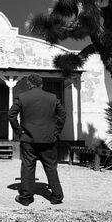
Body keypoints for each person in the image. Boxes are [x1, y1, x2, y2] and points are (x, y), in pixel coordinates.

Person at [8, 73, 66, 206]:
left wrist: (19, 131)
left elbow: (11, 115)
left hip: (28, 138)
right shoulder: (52, 98)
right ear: (42, 84)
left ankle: (26, 197)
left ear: (29, 84)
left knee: (28, 166)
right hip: (49, 138)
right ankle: (57, 196)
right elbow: (62, 114)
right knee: (51, 167)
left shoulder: (22, 97)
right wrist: (56, 132)